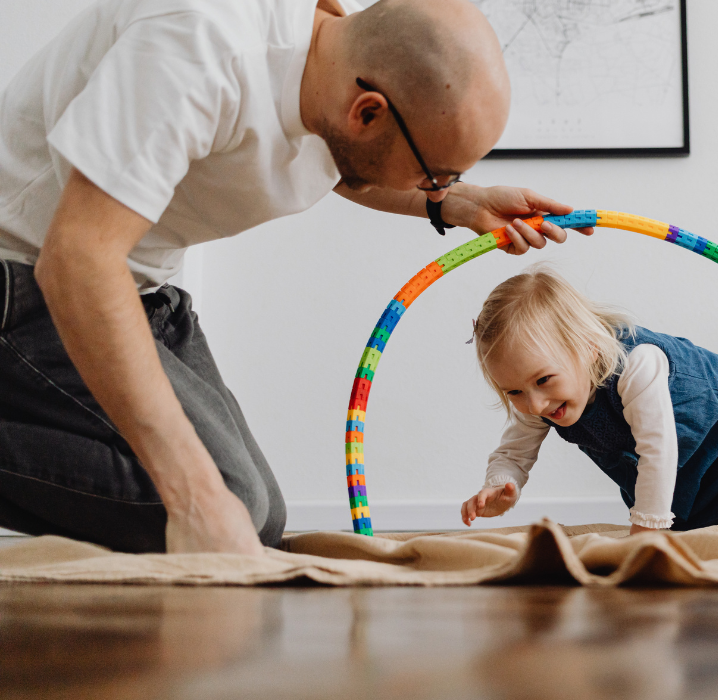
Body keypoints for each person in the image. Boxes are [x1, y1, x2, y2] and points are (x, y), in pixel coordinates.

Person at [0, 0, 592, 555]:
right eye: (433, 175)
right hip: (29, 277)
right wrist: (195, 497)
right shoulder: (196, 49)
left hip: (144, 289)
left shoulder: (335, 59)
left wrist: (457, 202)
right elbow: (77, 261)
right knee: (214, 503)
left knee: (259, 519)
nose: (430, 187)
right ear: (368, 113)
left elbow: (341, 164)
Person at [460, 267, 718, 534]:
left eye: (543, 380)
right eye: (514, 392)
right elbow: (514, 452)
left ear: (588, 349)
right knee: (690, 528)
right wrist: (500, 483)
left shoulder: (638, 365)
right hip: (662, 456)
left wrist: (647, 528)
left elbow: (658, 449)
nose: (536, 404)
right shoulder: (539, 394)